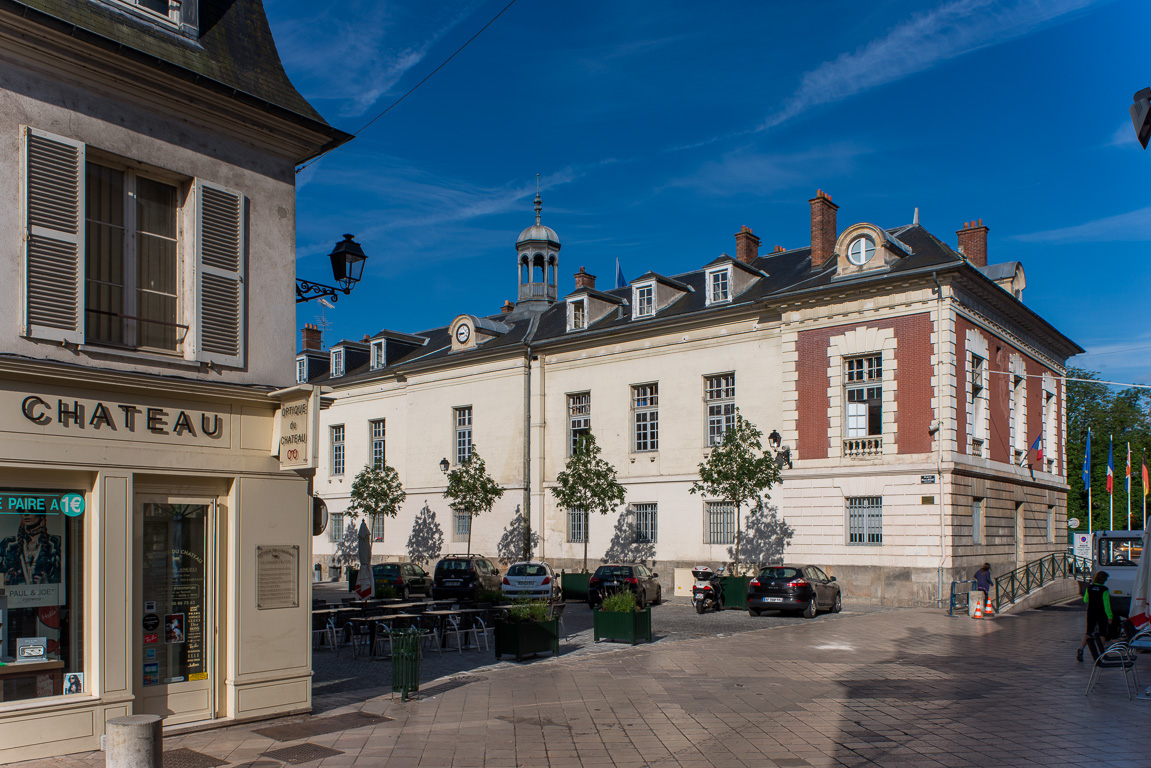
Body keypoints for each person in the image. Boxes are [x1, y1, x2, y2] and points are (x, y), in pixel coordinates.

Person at [1078, 571, 1113, 662]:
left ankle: (1081, 648)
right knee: (1102, 633)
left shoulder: (1089, 587)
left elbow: (1085, 600)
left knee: (1089, 632)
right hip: (1101, 613)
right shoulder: (1104, 589)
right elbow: (1106, 604)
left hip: (1091, 612)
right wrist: (1110, 616)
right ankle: (1100, 653)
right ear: (1103, 580)